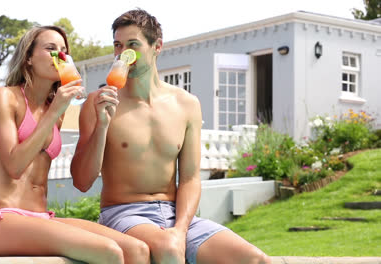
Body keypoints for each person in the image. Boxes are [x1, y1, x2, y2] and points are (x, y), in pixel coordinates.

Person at [71, 9, 272, 264]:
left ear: (157, 46)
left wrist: (180, 229)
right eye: (118, 46)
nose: (123, 54)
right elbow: (81, 181)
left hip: (175, 215)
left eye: (133, 45)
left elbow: (189, 178)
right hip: (123, 213)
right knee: (168, 248)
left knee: (256, 259)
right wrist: (101, 126)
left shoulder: (186, 104)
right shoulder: (99, 102)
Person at [0, 25, 150, 264]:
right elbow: (15, 167)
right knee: (110, 252)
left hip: (40, 218)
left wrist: (102, 124)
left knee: (137, 249)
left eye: (64, 52)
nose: (60, 56)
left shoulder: (54, 112)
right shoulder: (4, 97)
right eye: (51, 49)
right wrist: (57, 108)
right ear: (28, 58)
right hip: (1, 221)